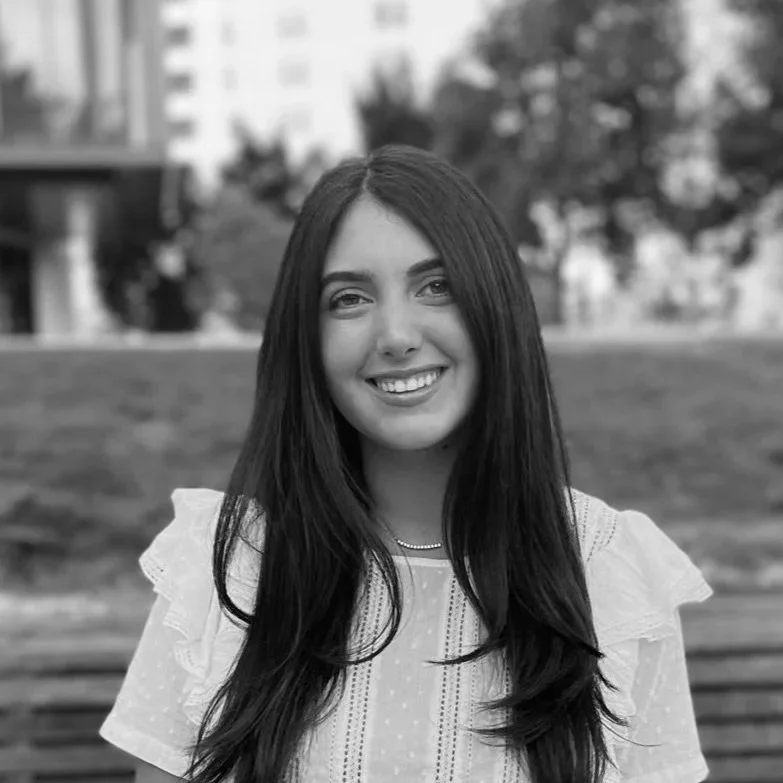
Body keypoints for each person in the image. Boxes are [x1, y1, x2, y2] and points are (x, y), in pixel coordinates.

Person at [99, 145, 712, 783]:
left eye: (436, 286)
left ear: (496, 305)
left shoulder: (613, 573)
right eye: (349, 299)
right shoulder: (223, 569)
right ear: (305, 338)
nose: (395, 334)